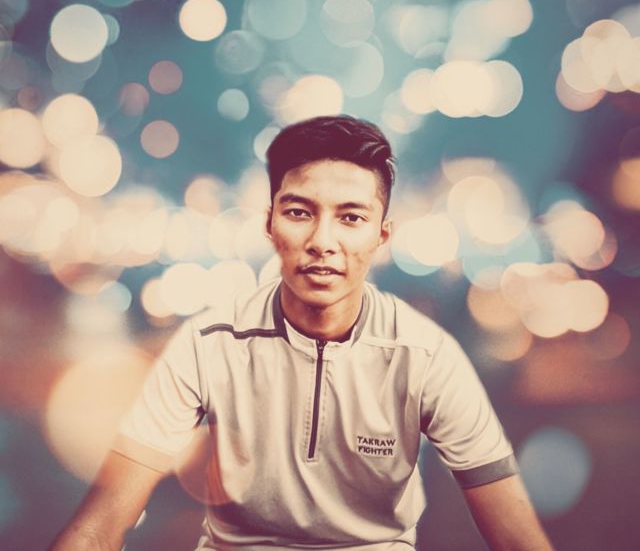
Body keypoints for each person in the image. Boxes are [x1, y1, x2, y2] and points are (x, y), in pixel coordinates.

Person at [51, 115, 553, 551]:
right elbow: (99, 526)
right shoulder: (209, 346)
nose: (322, 242)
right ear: (270, 224)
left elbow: (514, 537)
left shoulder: (424, 356)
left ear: (381, 234)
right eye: (299, 213)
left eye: (350, 218)